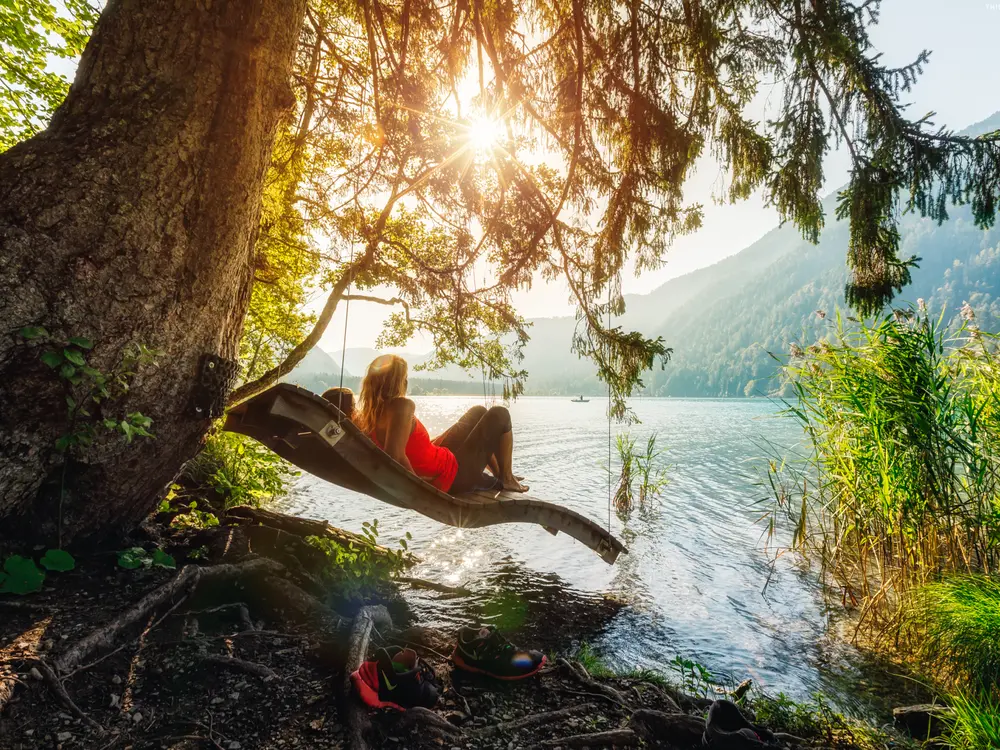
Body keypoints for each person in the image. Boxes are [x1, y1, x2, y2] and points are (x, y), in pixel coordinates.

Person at [354, 354, 528, 494]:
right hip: (452, 476)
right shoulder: (401, 406)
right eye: (404, 377)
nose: (406, 382)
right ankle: (506, 478)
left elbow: (402, 450)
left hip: (441, 461)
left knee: (478, 412)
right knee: (500, 414)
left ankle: (501, 475)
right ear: (398, 380)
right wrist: (419, 488)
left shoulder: (369, 415)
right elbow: (395, 455)